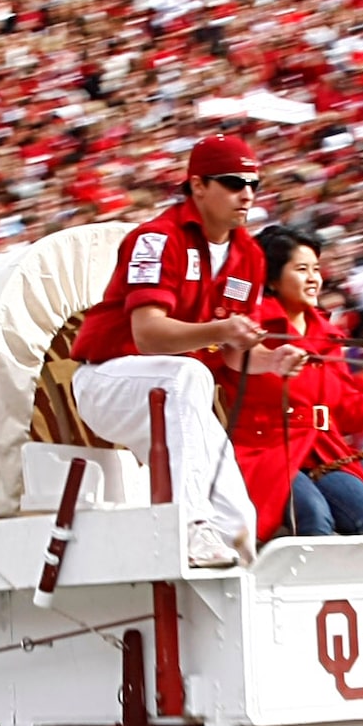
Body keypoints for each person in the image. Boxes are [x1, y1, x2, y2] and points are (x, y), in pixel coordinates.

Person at [67, 135, 296, 567]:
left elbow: (233, 353)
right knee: (190, 376)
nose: (246, 194)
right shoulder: (155, 238)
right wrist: (224, 328)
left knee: (238, 520)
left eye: (254, 184)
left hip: (175, 393)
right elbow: (148, 334)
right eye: (233, 182)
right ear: (197, 186)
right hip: (108, 381)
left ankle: (233, 572)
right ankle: (188, 527)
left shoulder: (248, 254)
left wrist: (269, 360)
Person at [232, 224, 363, 541]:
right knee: (314, 518)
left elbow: (347, 411)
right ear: (273, 279)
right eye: (301, 269)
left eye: (316, 269)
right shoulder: (246, 328)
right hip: (265, 451)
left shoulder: (328, 337)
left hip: (324, 451)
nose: (313, 278)